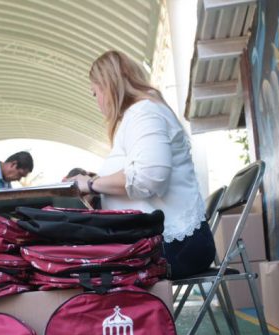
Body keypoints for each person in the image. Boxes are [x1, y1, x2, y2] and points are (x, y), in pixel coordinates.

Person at [71, 50, 215, 279]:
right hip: (167, 243)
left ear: (108, 86)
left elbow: (149, 178)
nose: (97, 101)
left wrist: (91, 184)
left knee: (77, 267)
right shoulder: (140, 114)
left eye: (95, 93)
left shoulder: (144, 113)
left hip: (172, 245)